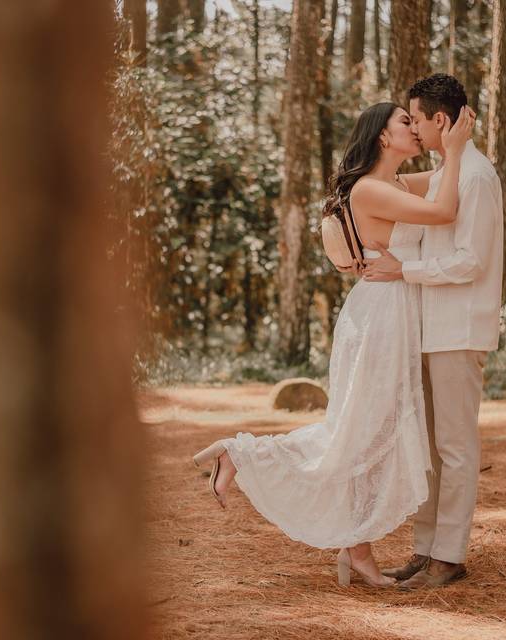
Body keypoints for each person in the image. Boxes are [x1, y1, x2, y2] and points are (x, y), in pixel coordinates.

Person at [192, 101, 476, 588]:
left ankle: (358, 551)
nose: (413, 128)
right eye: (404, 122)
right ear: (383, 137)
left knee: (364, 434)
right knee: (356, 434)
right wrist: (453, 149)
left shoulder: (392, 184)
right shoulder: (370, 189)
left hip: (391, 314)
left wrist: (452, 147)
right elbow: (445, 208)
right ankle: (242, 455)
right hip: (382, 318)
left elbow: (445, 177)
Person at [362, 74, 504, 590]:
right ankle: (425, 550)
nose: (414, 128)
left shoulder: (475, 177)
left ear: (439, 120)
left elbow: (471, 261)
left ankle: (450, 557)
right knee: (430, 447)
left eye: (416, 118)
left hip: (458, 328)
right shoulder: (450, 169)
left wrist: (404, 272)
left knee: (456, 446)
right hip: (424, 328)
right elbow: (390, 191)